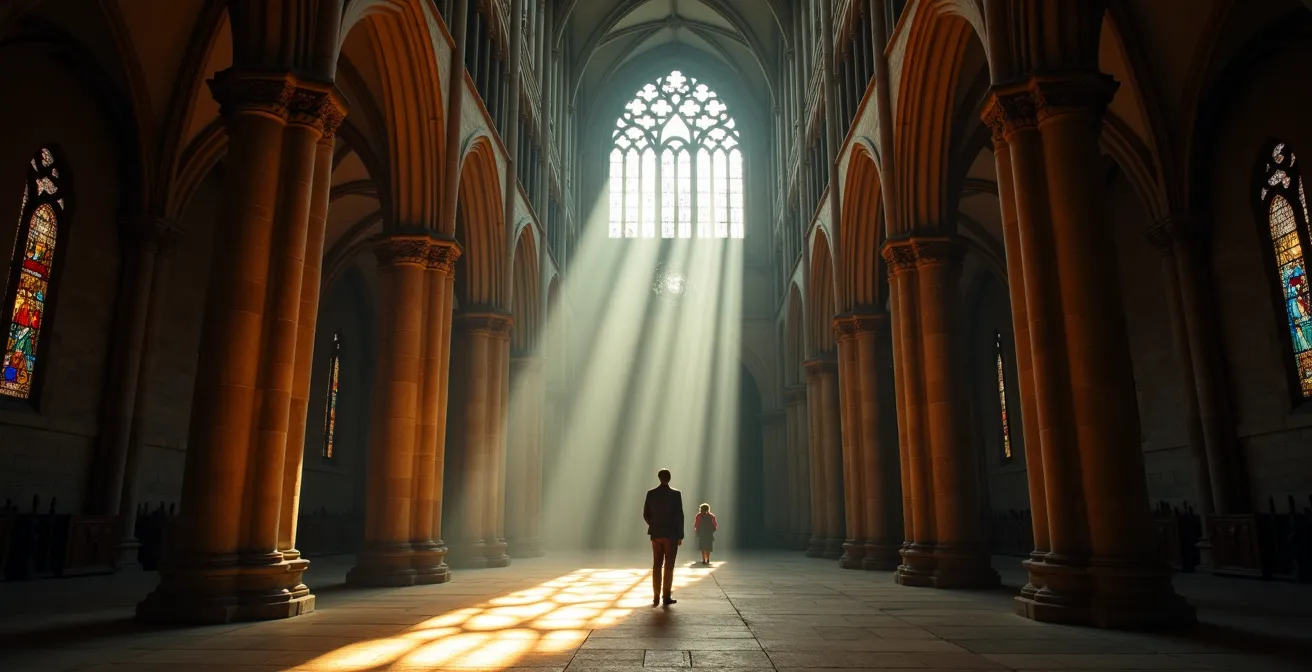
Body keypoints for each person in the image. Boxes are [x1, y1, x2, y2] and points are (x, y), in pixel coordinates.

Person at [643, 468, 684, 606]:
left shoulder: (651, 494)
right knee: (669, 566)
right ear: (669, 478)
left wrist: (653, 524)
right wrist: (680, 534)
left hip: (656, 533)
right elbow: (680, 515)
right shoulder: (676, 494)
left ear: (659, 478)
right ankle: (666, 597)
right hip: (671, 534)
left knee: (657, 564)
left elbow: (646, 514)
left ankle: (655, 597)